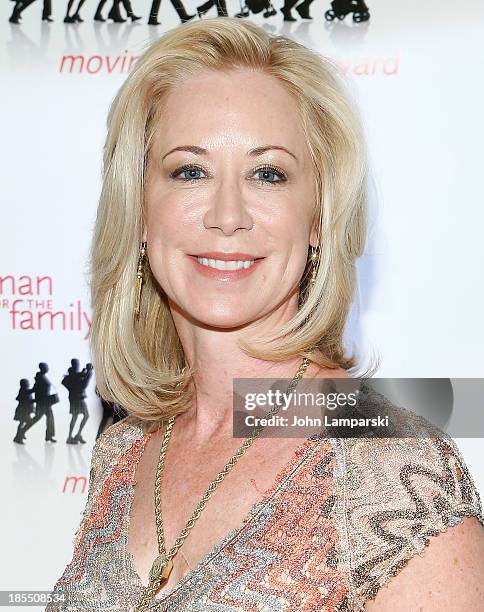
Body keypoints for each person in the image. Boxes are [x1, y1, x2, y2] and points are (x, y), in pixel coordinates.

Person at [45, 18, 484, 612]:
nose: (228, 215)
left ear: (319, 218)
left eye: (268, 174)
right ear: (141, 211)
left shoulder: (388, 463)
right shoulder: (121, 455)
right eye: (189, 171)